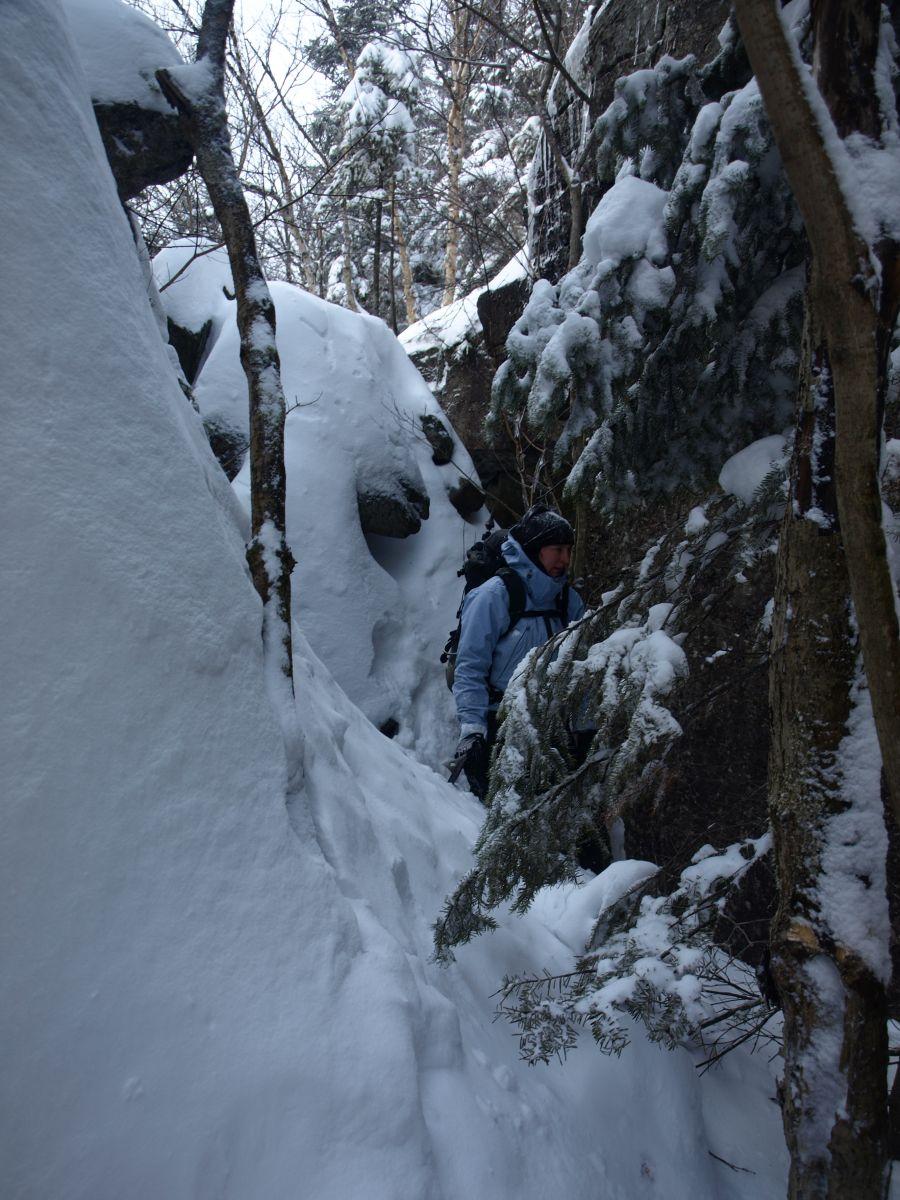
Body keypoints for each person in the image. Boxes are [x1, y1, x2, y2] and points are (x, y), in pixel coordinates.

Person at [452, 504, 585, 800]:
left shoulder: (569, 601)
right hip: (497, 724)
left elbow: (582, 667)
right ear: (536, 550)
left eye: (568, 550)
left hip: (550, 726)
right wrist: (472, 731)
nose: (565, 559)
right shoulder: (494, 596)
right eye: (557, 550)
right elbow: (470, 668)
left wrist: (585, 727)